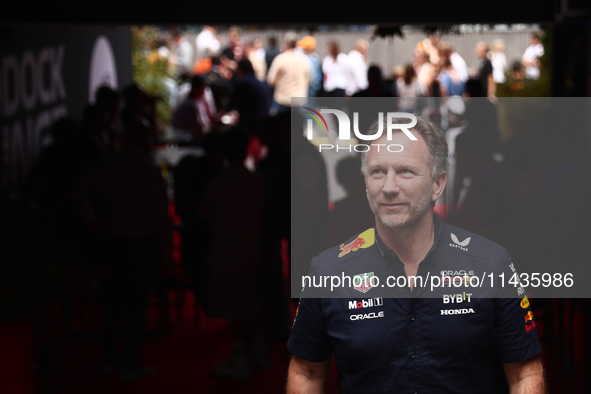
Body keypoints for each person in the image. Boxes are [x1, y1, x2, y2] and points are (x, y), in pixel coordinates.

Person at [286, 115, 545, 393]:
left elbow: (523, 373)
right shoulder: (327, 272)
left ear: (437, 184)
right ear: (365, 183)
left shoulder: (491, 264)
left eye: (406, 171)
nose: (388, 187)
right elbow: (307, 371)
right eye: (377, 172)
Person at [266, 37, 311, 113]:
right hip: (299, 98)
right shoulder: (304, 59)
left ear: (286, 45)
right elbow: (309, 79)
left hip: (283, 98)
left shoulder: (280, 59)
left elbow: (271, 80)